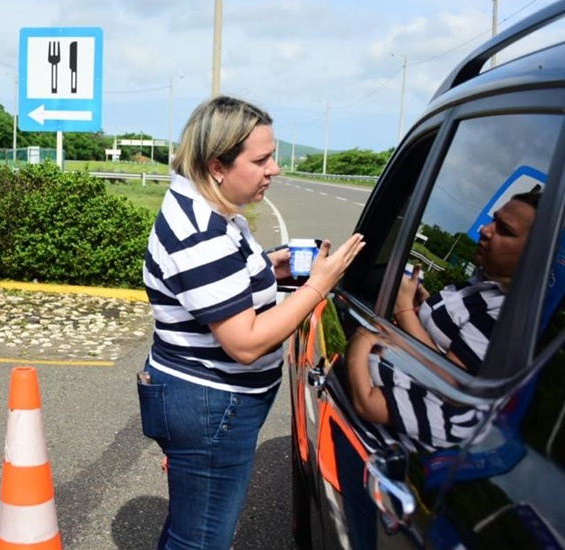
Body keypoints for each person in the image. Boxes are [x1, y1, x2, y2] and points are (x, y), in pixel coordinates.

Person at [138, 95, 365, 549]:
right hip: (210, 404)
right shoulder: (200, 232)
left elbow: (219, 283)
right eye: (261, 159)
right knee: (201, 540)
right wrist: (318, 285)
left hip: (204, 400)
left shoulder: (211, 211)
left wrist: (270, 266)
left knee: (191, 530)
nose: (274, 169)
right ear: (217, 166)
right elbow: (244, 343)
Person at [348, 191, 540, 428]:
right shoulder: (480, 284)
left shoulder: (503, 315)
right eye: (493, 220)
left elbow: (452, 383)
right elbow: (445, 338)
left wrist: (403, 311)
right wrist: (426, 303)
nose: (485, 230)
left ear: (535, 256)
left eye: (505, 230)